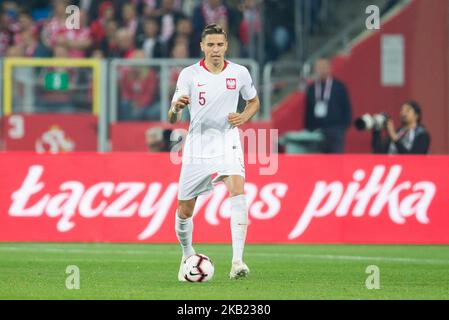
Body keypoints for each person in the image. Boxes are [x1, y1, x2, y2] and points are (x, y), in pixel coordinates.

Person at [168, 23, 260, 281]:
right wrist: (176, 108)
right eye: (211, 45)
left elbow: (254, 101)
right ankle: (187, 255)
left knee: (238, 190)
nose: (215, 50)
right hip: (197, 146)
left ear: (226, 46)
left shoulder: (240, 73)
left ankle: (238, 261)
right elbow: (173, 117)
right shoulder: (189, 74)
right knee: (185, 211)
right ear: (202, 47)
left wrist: (243, 117)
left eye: (220, 45)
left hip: (227, 140)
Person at [305, 58, 352, 153]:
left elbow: (346, 107)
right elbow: (308, 110)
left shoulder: (339, 87)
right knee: (318, 160)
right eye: (319, 68)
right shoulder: (312, 88)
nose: (322, 71)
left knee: (336, 159)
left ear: (330, 68)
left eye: (324, 67)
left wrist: (343, 127)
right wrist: (309, 128)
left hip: (335, 129)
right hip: (316, 130)